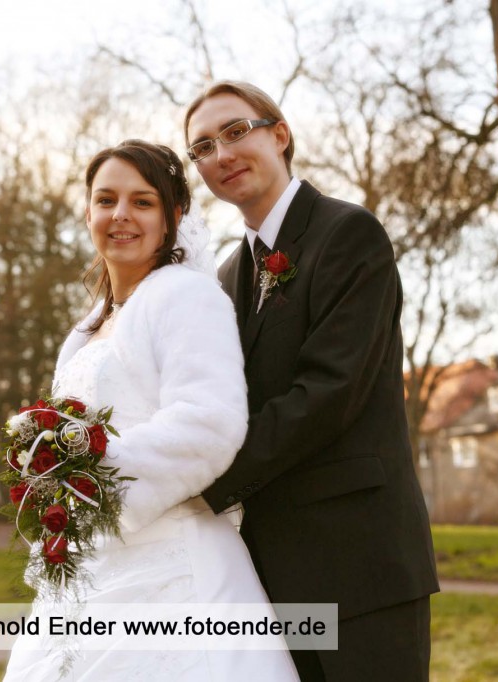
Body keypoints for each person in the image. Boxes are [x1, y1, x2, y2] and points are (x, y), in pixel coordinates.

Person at [2, 140, 299, 681]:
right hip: (91, 573)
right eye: (106, 199)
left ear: (173, 215)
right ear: (87, 211)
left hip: (174, 569)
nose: (121, 215)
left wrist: (93, 480)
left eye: (142, 202)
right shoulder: (86, 329)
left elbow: (209, 423)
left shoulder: (187, 297)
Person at [186, 81, 440, 681]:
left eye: (234, 131)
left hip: (359, 561)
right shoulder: (225, 278)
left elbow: (329, 393)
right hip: (269, 570)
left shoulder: (348, 234)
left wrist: (198, 484)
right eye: (201, 147)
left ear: (280, 134)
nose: (221, 154)